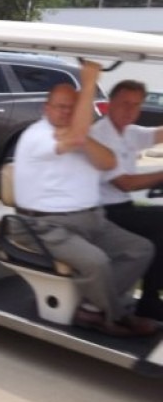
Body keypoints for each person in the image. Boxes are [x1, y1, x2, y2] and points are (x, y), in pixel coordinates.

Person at [12, 61, 156, 337]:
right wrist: (89, 81)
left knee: (141, 248)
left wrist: (81, 135)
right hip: (45, 226)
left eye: (72, 107)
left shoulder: (80, 136)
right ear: (47, 108)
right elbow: (77, 138)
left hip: (90, 219)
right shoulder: (37, 135)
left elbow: (107, 161)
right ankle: (115, 316)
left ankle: (92, 308)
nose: (66, 112)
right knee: (96, 262)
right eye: (61, 106)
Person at [90, 79, 163, 321]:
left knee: (158, 229)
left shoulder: (128, 132)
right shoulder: (100, 135)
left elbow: (158, 134)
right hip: (102, 213)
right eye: (124, 104)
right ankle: (149, 300)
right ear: (110, 104)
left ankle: (150, 298)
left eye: (136, 105)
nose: (130, 110)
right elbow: (125, 183)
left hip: (122, 208)